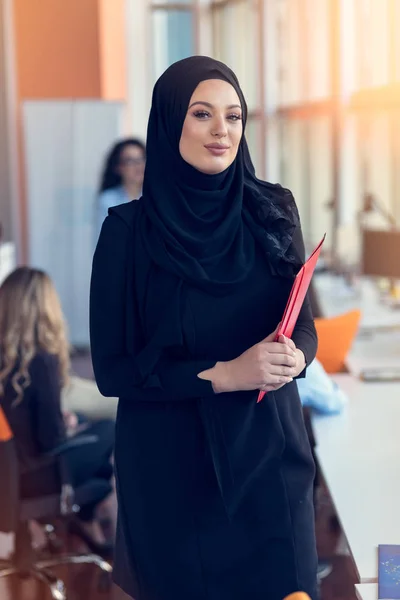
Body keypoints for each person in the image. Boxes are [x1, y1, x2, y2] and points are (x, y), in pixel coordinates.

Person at [90, 56, 318, 600]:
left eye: (234, 116)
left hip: (269, 455)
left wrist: (299, 358)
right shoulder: (127, 233)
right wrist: (224, 374)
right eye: (202, 114)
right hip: (173, 470)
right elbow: (112, 371)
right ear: (170, 124)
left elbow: (304, 328)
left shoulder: (274, 211)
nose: (222, 130)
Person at [0, 267, 115, 548]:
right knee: (108, 431)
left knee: (94, 447)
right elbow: (51, 440)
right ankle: (88, 520)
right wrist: (68, 424)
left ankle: (85, 521)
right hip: (34, 477)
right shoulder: (41, 360)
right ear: (44, 308)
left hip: (8, 476)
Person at [96, 137, 146, 235]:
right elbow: (105, 240)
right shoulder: (108, 200)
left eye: (142, 159)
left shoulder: (157, 198)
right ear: (118, 167)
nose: (138, 166)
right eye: (130, 161)